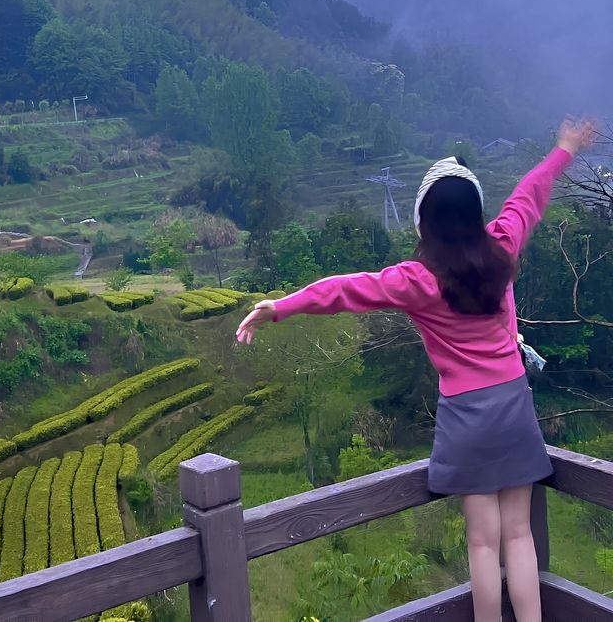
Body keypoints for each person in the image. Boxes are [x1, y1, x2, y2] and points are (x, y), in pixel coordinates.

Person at [236, 118, 595, 622]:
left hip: (466, 415)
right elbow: (529, 193)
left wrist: (281, 307)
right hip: (513, 403)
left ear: (424, 221)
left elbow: (345, 289)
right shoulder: (501, 246)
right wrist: (564, 149)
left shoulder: (417, 279)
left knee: (483, 542)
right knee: (519, 532)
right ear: (474, 214)